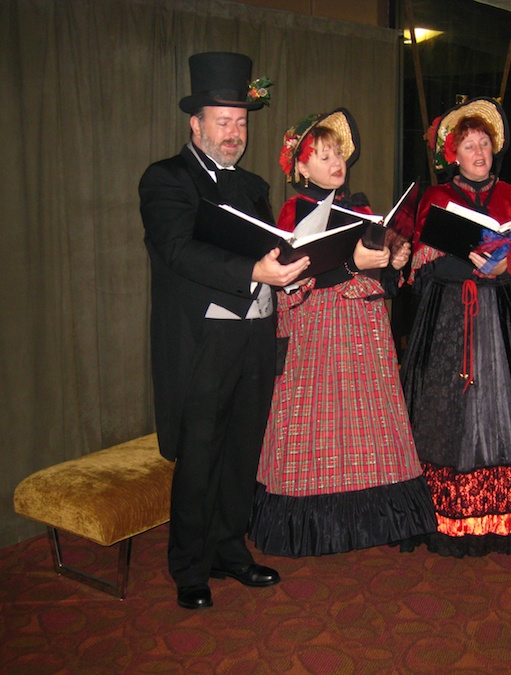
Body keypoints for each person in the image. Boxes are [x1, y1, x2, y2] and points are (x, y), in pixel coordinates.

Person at [139, 52, 309, 610]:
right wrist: (252, 271)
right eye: (222, 121)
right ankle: (190, 566)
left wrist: (311, 265)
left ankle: (229, 549)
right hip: (201, 341)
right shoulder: (166, 178)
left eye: (241, 122)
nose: (233, 133)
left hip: (255, 337)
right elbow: (176, 250)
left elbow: (273, 252)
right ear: (196, 122)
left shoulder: (253, 186)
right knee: (201, 453)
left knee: (242, 449)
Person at [250, 109, 437, 557]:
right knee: (316, 425)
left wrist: (394, 260)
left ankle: (375, 523)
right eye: (323, 155)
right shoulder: (294, 210)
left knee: (372, 424)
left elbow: (385, 279)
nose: (336, 163)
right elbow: (296, 278)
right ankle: (313, 527)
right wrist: (355, 265)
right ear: (300, 167)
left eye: (339, 155)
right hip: (317, 327)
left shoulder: (361, 208)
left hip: (364, 326)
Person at [399, 97, 511, 558]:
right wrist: (462, 263)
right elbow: (418, 271)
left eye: (485, 145)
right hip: (449, 323)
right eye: (469, 145)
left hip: (500, 317)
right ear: (453, 153)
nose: (479, 153)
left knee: (509, 409)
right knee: (445, 413)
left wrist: (504, 265)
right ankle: (443, 519)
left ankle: (509, 521)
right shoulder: (435, 198)